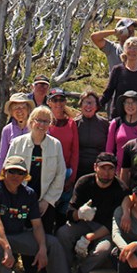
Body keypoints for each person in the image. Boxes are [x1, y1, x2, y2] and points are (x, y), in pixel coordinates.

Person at [0, 155, 83, 273]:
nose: (15, 176)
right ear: (4, 172)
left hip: (18, 235)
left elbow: (36, 225)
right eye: (12, 172)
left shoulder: (28, 194)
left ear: (25, 175)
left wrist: (42, 248)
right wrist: (7, 248)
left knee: (52, 243)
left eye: (20, 173)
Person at [56, 152, 129, 273]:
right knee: (62, 233)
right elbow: (69, 212)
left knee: (103, 250)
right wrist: (79, 214)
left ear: (115, 170)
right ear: (95, 167)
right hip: (83, 223)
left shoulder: (120, 189)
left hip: (104, 229)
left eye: (110, 169)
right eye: (103, 168)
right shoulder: (84, 182)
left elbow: (112, 224)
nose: (106, 173)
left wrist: (90, 237)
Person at [8, 105, 67, 230]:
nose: (41, 124)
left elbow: (60, 174)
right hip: (18, 200)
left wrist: (47, 201)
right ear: (31, 121)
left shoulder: (55, 145)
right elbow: (6, 170)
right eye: (38, 120)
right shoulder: (17, 143)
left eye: (46, 121)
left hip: (45, 202)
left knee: (43, 239)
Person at [101, 37, 137, 117]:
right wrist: (93, 108)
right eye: (129, 48)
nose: (132, 50)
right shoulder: (117, 70)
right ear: (125, 51)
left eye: (136, 48)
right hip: (119, 115)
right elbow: (108, 93)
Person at [48, 87, 80, 222]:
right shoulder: (45, 123)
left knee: (63, 209)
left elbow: (75, 151)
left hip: (66, 171)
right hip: (49, 172)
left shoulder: (71, 123)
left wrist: (71, 177)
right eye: (55, 100)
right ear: (49, 102)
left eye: (61, 100)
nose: (58, 103)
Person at [75, 89, 110, 179]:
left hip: (98, 169)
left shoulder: (105, 124)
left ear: (97, 106)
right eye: (86, 102)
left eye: (91, 103)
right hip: (78, 168)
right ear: (81, 105)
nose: (88, 106)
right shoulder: (74, 123)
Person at [107, 90, 137, 169]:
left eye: (133, 102)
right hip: (118, 170)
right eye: (127, 102)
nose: (130, 105)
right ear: (123, 105)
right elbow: (109, 149)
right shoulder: (116, 123)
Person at [0, 92, 32, 173]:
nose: (19, 111)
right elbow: (2, 155)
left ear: (28, 110)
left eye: (23, 107)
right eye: (15, 108)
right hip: (12, 172)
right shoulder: (7, 130)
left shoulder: (36, 127)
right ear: (11, 112)